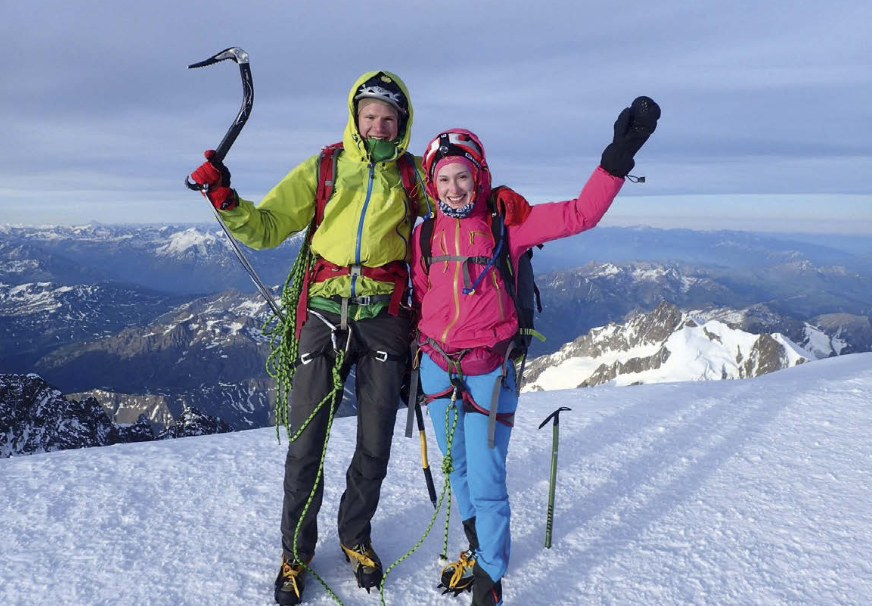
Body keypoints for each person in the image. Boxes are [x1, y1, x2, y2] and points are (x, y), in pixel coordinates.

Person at [189, 70, 429, 605]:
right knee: (306, 445)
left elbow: (461, 211)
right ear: (355, 117)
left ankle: (355, 537)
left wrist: (496, 203)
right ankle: (295, 554)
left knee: (375, 443)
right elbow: (269, 225)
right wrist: (225, 198)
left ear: (402, 124)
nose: (378, 126)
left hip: (384, 317)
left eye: (389, 118)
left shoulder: (414, 176)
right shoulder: (325, 168)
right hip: (322, 314)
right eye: (369, 116)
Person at [410, 97, 660, 606]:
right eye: (444, 180)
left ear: (478, 176)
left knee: (486, 477)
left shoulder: (508, 222)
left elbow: (579, 214)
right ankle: (479, 549)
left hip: (487, 373)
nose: (453, 188)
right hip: (436, 368)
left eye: (462, 176)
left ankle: (491, 578)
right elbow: (419, 297)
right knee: (456, 467)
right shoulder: (424, 233)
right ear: (432, 185)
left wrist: (618, 156)